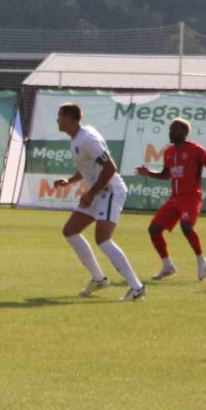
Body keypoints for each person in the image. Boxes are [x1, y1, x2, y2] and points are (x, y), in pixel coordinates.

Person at [54, 103, 146, 301]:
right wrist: (69, 181)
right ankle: (98, 278)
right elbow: (88, 167)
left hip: (111, 190)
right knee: (70, 230)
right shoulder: (76, 138)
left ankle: (136, 287)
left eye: (60, 116)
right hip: (98, 191)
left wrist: (90, 193)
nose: (57, 120)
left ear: (70, 118)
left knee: (103, 239)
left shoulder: (87, 138)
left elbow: (111, 167)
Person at [136, 118, 206, 281]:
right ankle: (168, 266)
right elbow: (166, 174)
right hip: (174, 199)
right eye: (170, 129)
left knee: (186, 227)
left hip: (191, 198)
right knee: (154, 229)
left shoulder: (196, 149)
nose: (170, 133)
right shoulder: (169, 152)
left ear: (183, 132)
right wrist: (148, 173)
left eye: (173, 130)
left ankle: (200, 259)